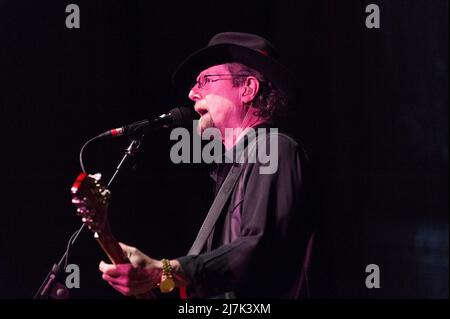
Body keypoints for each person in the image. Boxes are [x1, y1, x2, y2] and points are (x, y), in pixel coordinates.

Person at [99, 32, 316, 298]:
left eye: (207, 80)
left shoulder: (276, 149)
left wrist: (166, 270)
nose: (192, 93)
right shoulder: (234, 169)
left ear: (248, 88)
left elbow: (260, 248)